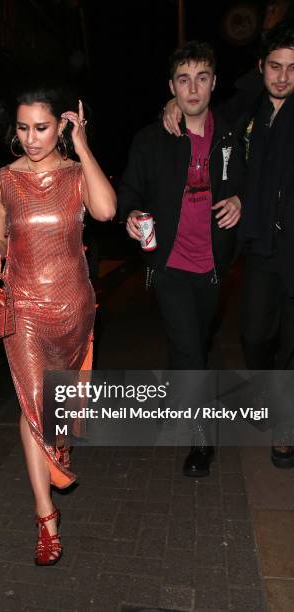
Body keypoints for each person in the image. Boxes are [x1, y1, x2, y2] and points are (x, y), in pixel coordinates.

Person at [0, 85, 116, 565]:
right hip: (25, 309)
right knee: (32, 403)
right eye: (22, 127)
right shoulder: (3, 181)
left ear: (61, 125)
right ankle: (46, 519)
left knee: (59, 404)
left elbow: (105, 211)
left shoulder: (78, 175)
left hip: (74, 306)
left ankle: (58, 444)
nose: (31, 138)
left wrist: (84, 145)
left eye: (42, 127)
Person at [163, 21, 294, 468]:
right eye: (274, 67)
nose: (283, 76)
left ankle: (284, 426)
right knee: (255, 335)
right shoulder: (246, 112)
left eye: (292, 68)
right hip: (259, 249)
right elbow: (202, 107)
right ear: (262, 68)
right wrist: (173, 104)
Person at [119, 41, 245, 477]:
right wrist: (131, 214)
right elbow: (128, 195)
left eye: (202, 77)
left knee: (190, 344)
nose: (193, 88)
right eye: (183, 79)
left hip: (213, 268)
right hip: (168, 267)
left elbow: (250, 183)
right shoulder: (151, 140)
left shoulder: (232, 134)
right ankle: (202, 438)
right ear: (171, 86)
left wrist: (241, 201)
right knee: (191, 351)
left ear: (214, 83)